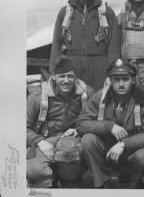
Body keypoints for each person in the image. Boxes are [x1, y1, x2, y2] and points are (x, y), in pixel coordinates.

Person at [77, 58, 144, 188]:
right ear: (110, 81)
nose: (121, 84)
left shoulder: (143, 99)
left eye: (125, 79)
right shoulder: (100, 97)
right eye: (116, 80)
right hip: (106, 150)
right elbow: (81, 124)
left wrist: (124, 144)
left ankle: (135, 185)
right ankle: (102, 183)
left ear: (133, 80)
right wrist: (108, 126)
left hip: (130, 152)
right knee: (88, 140)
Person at [50, 0, 120, 90]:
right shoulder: (64, 13)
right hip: (72, 70)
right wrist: (53, 72)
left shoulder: (106, 13)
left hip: (100, 70)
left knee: (99, 105)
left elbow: (114, 47)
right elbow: (56, 45)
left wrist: (112, 74)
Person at [27, 55, 94, 188]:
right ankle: (53, 176)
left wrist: (78, 129)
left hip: (72, 141)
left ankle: (69, 180)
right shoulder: (37, 96)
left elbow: (97, 120)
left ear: (76, 77)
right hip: (45, 140)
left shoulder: (87, 93)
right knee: (33, 171)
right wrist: (39, 141)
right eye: (61, 76)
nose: (66, 81)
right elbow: (22, 127)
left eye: (70, 76)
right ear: (53, 77)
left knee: (68, 149)